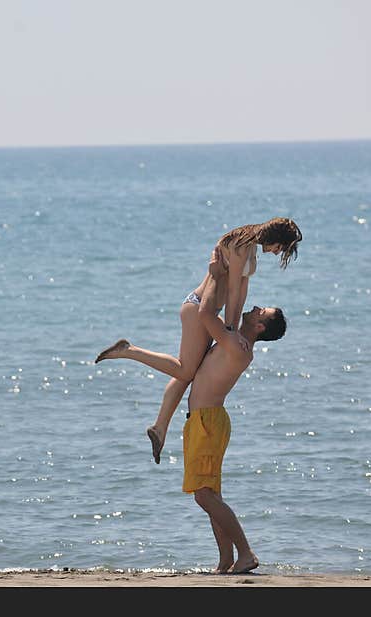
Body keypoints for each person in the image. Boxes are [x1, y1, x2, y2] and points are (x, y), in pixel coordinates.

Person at [98, 258, 288, 573]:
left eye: (260, 313)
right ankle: (226, 559)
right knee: (211, 495)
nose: (254, 309)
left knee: (203, 497)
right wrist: (241, 274)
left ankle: (246, 553)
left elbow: (204, 314)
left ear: (260, 327)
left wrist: (214, 275)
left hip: (208, 422)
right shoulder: (234, 339)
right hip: (205, 421)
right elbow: (228, 307)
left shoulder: (236, 345)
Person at [96, 216, 300, 463]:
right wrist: (229, 330)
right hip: (198, 309)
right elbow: (233, 290)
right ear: (274, 237)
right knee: (185, 370)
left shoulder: (249, 247)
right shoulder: (239, 244)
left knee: (190, 372)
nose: (278, 253)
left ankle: (160, 428)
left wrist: (232, 331)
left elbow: (241, 292)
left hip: (209, 311)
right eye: (281, 247)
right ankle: (128, 350)